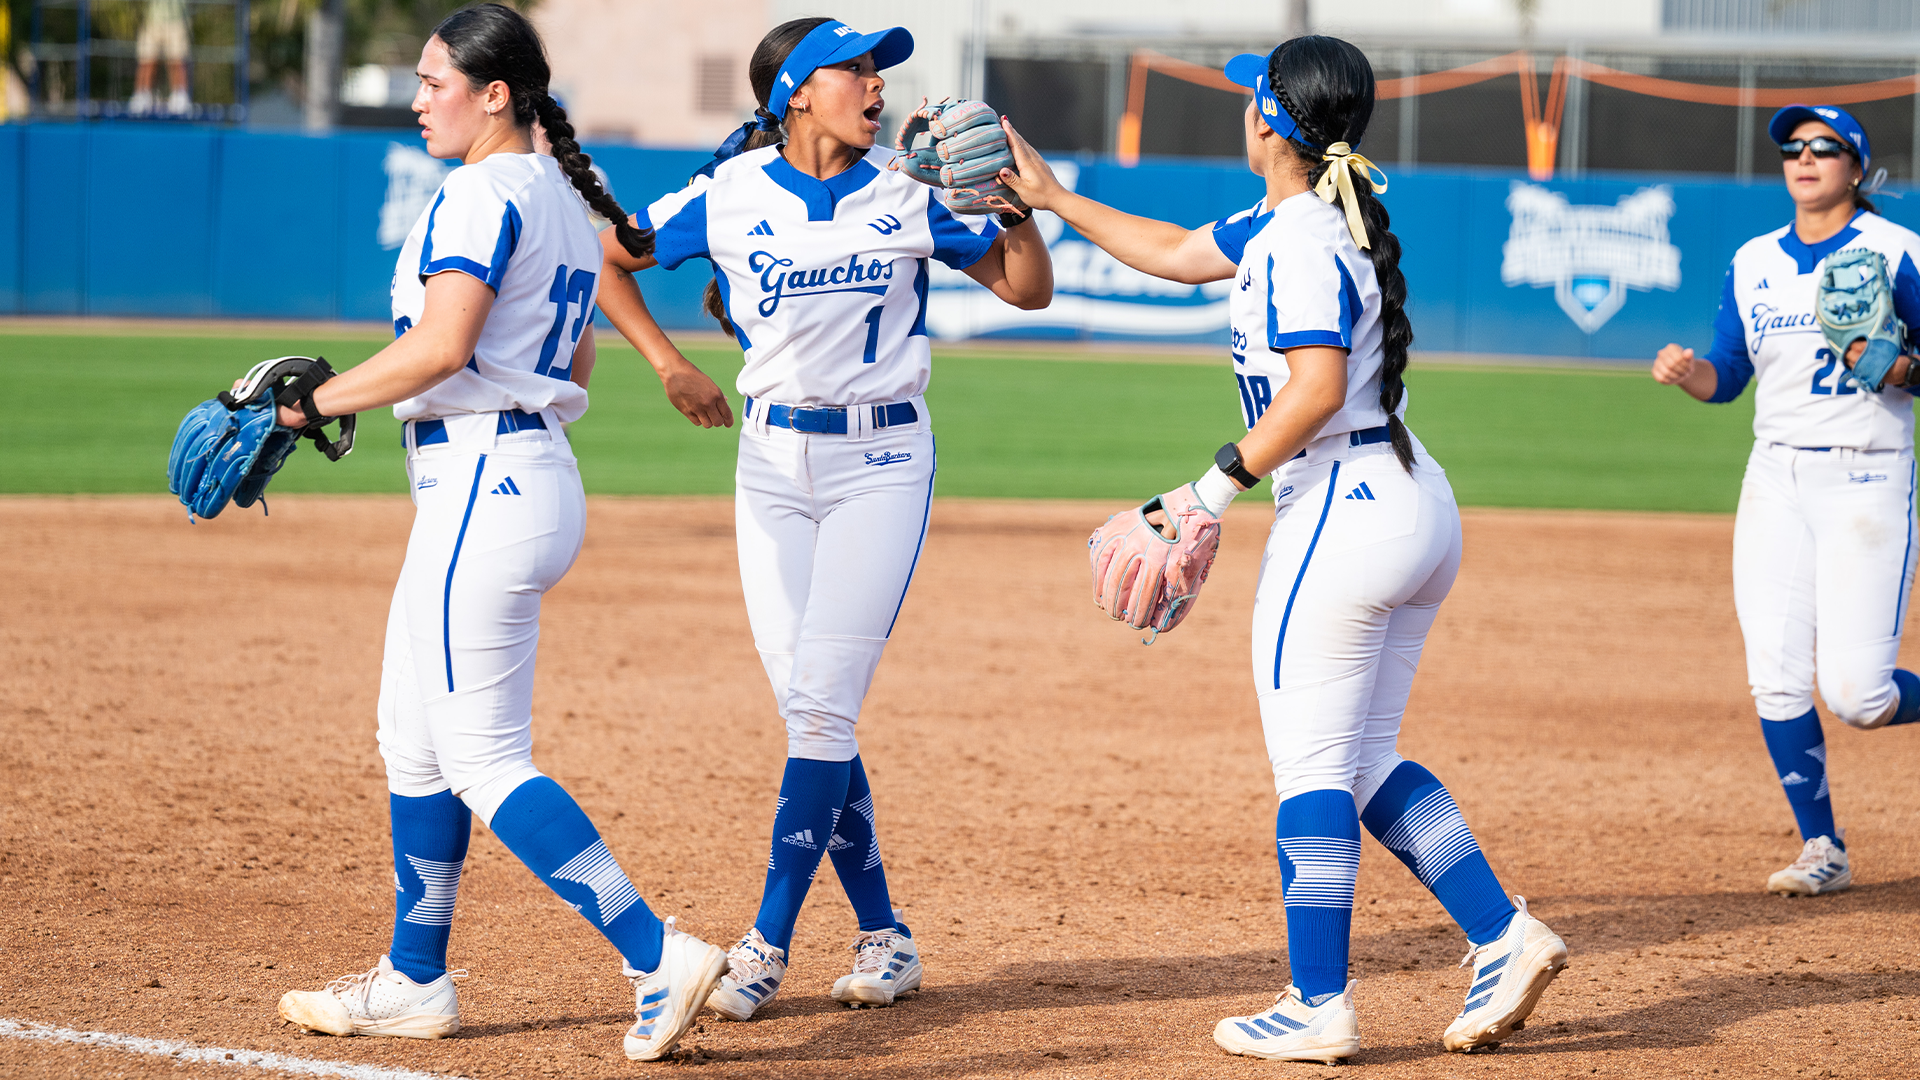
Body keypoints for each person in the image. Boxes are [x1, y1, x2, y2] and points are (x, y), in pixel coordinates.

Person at [997, 35, 1566, 1062]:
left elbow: (1310, 387)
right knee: (1361, 760)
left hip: (1341, 506)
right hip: (1409, 498)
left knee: (1310, 765)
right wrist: (1052, 197)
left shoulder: (1296, 241)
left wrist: (1206, 489)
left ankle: (1317, 1004)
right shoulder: (1301, 220)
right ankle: (1503, 933)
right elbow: (1175, 254)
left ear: (1267, 119)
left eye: (1245, 100)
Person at [271, 5, 727, 1061]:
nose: (419, 95)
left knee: (480, 757)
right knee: (412, 737)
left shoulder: (481, 190)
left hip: (483, 479)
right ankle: (415, 980)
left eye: (435, 79)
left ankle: (656, 953)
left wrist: (310, 407)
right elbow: (572, 365)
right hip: (521, 476)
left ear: (494, 94)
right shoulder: (560, 196)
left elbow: (441, 348)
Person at [596, 16, 1052, 1020]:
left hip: (882, 461)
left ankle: (764, 944)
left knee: (820, 710)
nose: (876, 83)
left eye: (879, 69)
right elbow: (609, 257)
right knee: (812, 711)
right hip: (769, 465)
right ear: (797, 91)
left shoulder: (909, 190)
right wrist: (669, 363)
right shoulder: (727, 194)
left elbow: (1027, 290)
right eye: (854, 69)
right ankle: (886, 936)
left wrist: (1012, 210)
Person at [1651, 104, 1920, 898]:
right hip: (1774, 477)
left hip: (1867, 475)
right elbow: (1728, 377)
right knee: (1773, 675)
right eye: (1793, 148)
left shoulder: (1896, 252)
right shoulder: (1753, 261)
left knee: (1859, 696)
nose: (1805, 158)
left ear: (1856, 165)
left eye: (1825, 148)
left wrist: (1896, 368)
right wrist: (1688, 370)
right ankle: (1821, 845)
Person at [130, 0, 191, 117]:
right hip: (152, 19)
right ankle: (142, 95)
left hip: (177, 20)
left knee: (177, 60)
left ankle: (180, 96)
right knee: (146, 60)